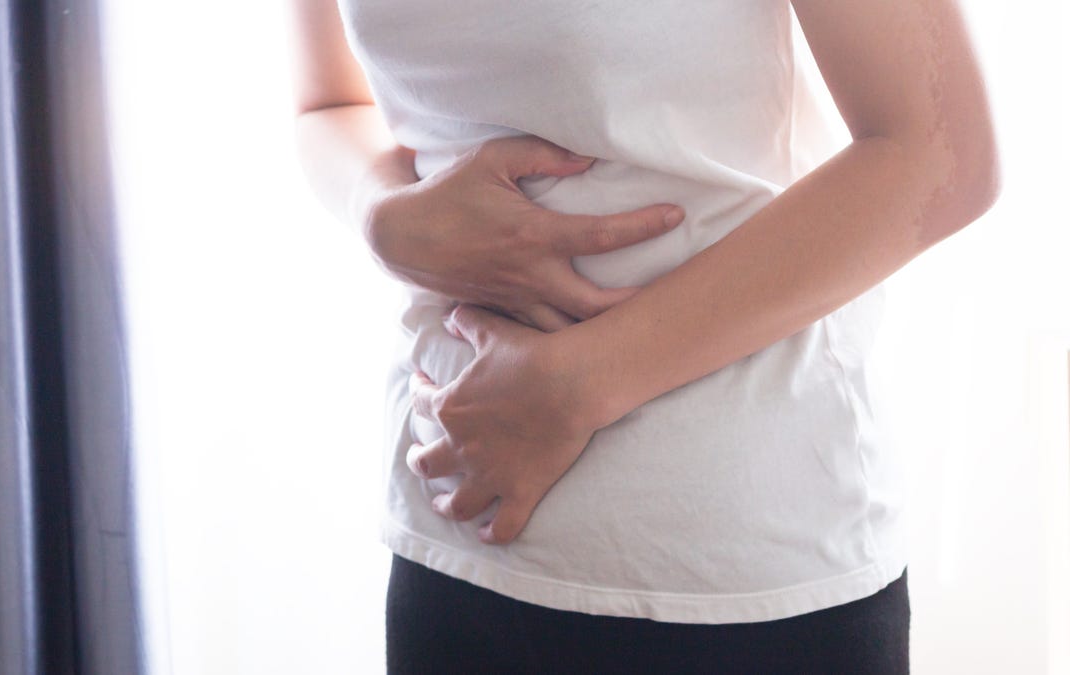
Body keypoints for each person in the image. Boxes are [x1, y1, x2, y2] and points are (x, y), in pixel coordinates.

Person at [288, 1, 999, 672]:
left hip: (744, 575)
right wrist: (379, 214)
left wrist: (580, 383)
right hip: (454, 534)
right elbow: (325, 103)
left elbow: (942, 152)